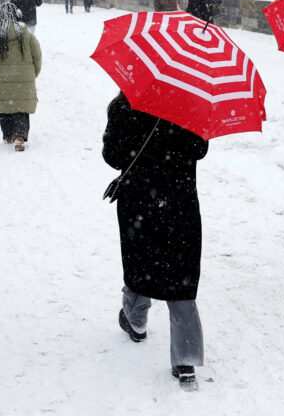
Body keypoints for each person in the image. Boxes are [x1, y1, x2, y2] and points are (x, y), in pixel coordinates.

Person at [102, 91, 209, 390]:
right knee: (180, 274)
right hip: (180, 202)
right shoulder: (192, 104)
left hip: (139, 203)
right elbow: (200, 149)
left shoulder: (124, 105)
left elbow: (112, 156)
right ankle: (185, 358)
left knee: (141, 260)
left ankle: (136, 320)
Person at [0, 3, 43, 151]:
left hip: (0, 79)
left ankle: (7, 135)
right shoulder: (26, 34)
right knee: (21, 108)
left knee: (4, 106)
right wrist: (34, 73)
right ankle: (20, 136)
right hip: (23, 79)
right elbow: (37, 56)